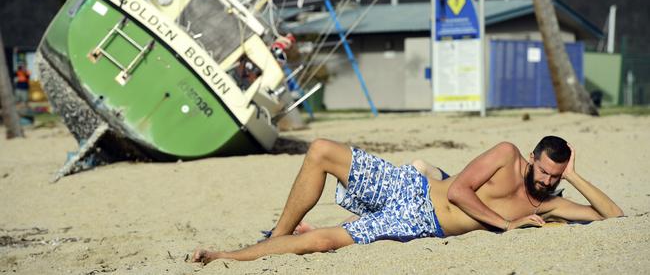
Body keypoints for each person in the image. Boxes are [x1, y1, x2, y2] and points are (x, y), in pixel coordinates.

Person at [192, 136, 623, 263]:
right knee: (321, 149)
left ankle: (226, 256)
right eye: (545, 170)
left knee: (324, 241)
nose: (547, 180)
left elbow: (613, 216)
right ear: (532, 158)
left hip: (419, 223)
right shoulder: (508, 155)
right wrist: (506, 224)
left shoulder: (544, 206)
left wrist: (575, 175)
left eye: (555, 175)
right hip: (411, 189)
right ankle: (272, 242)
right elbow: (457, 189)